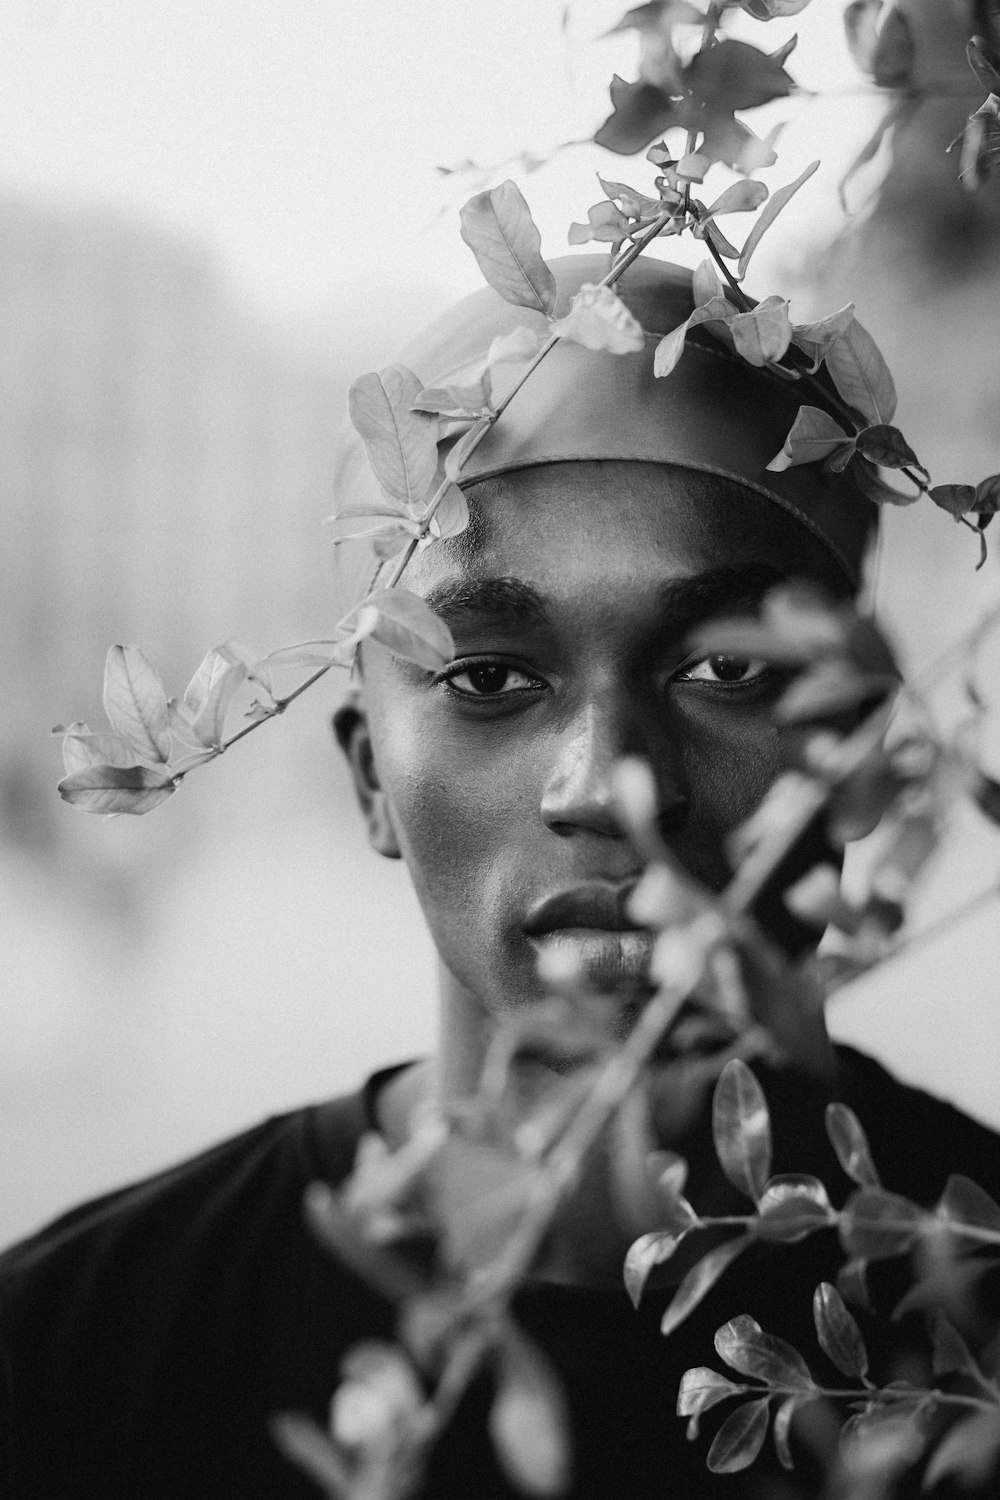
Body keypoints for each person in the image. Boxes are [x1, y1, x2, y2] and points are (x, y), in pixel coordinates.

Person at [2, 256, 999, 1500]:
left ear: (862, 748)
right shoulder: (69, 1360)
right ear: (372, 780)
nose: (606, 782)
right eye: (489, 679)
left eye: (726, 670)